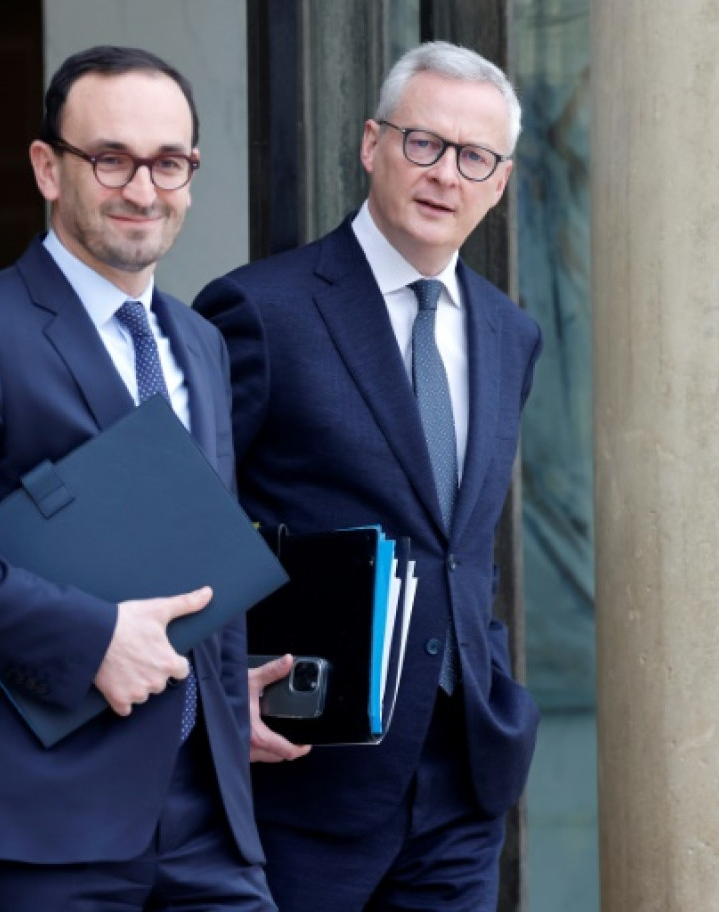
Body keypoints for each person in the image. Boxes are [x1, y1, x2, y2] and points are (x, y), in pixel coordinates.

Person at [0, 46, 274, 911]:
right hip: (39, 829)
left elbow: (201, 559)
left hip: (208, 828)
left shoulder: (199, 344)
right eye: (110, 158)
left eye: (169, 162)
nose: (142, 190)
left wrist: (230, 711)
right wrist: (92, 641)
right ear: (49, 167)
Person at [194, 40, 542, 910]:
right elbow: (188, 523)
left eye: (474, 158)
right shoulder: (259, 310)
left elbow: (463, 541)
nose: (444, 175)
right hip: (307, 771)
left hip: (465, 776)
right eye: (422, 143)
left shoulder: (509, 333)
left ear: (499, 183)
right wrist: (215, 690)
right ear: (370, 145)